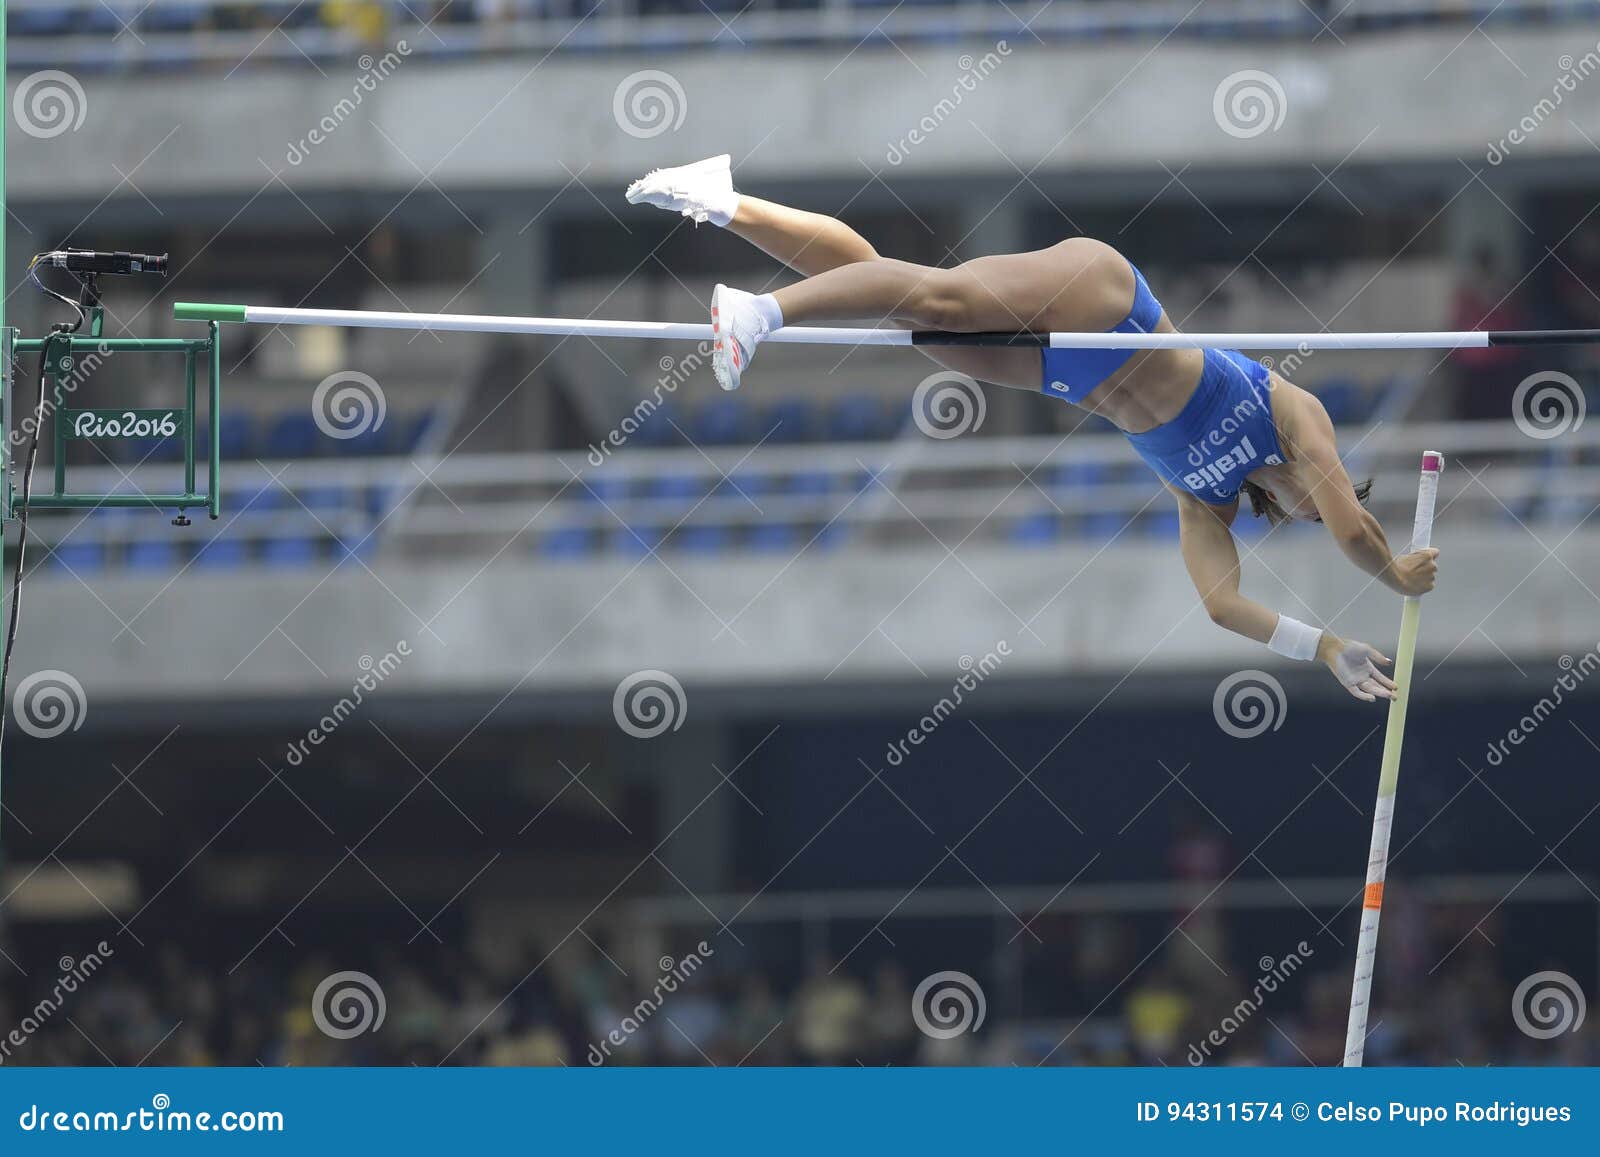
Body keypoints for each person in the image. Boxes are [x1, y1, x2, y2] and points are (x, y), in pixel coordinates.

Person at [627, 156, 1440, 701]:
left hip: (1071, 375)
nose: (1315, 504)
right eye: (1325, 496)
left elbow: (1223, 606)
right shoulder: (1297, 419)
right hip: (1110, 302)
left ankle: (721, 201)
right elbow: (1355, 530)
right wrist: (1396, 576)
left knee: (906, 309)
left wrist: (1328, 647)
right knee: (936, 298)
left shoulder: (1209, 501)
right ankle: (758, 312)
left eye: (1306, 509)